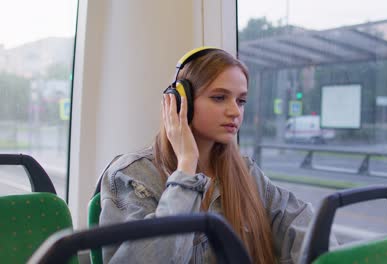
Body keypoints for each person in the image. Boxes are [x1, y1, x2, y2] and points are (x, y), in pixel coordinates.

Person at [100, 47, 335, 263]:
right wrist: (186, 169)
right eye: (219, 98)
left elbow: (304, 224)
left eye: (241, 101)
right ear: (182, 103)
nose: (235, 112)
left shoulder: (247, 174)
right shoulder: (133, 174)